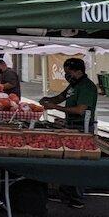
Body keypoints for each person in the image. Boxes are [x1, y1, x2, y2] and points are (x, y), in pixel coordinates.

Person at [39, 57, 99, 209]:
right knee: (68, 161)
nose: (67, 76)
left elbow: (80, 110)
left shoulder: (87, 87)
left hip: (82, 129)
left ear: (78, 71)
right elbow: (60, 97)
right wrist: (48, 100)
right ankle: (65, 192)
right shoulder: (74, 84)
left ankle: (76, 196)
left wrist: (55, 108)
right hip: (71, 126)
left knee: (77, 163)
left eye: (69, 73)